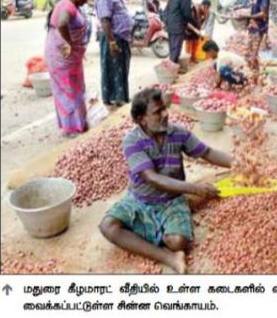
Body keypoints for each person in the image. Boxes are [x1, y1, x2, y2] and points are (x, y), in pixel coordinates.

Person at [99, 87, 233, 274]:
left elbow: (207, 152)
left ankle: (148, 236)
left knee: (178, 241)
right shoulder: (132, 141)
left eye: (164, 109)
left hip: (171, 200)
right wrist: (194, 189)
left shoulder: (178, 133)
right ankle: (168, 257)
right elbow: (151, 177)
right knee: (108, 226)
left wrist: (239, 163)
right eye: (157, 112)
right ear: (141, 119)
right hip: (140, 199)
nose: (165, 114)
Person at [44, 0, 94, 138]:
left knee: (76, 89)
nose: (86, 1)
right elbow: (62, 23)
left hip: (71, 59)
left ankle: (78, 123)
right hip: (62, 58)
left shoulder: (72, 5)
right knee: (68, 91)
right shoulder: (66, 6)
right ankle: (70, 127)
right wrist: (71, 43)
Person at [95, 0, 135, 108]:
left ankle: (121, 97)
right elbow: (105, 21)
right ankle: (112, 98)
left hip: (121, 37)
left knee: (121, 68)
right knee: (113, 68)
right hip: (113, 37)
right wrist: (112, 43)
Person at [165, 0, 198, 69]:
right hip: (178, 27)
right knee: (176, 50)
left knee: (172, 49)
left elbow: (166, 10)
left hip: (170, 26)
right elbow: (187, 14)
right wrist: (195, 23)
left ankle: (171, 69)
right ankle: (171, 71)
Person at [245, 0, 270, 78]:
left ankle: (257, 76)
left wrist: (249, 17)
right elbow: (250, 7)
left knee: (253, 54)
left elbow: (263, 14)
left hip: (259, 28)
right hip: (252, 27)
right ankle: (256, 74)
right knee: (248, 53)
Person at [184, 0, 212, 64]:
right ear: (202, 5)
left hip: (197, 27)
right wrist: (194, 29)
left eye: (207, 8)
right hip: (189, 28)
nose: (206, 9)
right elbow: (187, 22)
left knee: (196, 43)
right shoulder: (194, 9)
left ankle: (193, 58)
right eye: (205, 8)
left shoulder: (207, 11)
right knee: (189, 44)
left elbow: (204, 20)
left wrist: (199, 28)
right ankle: (188, 59)